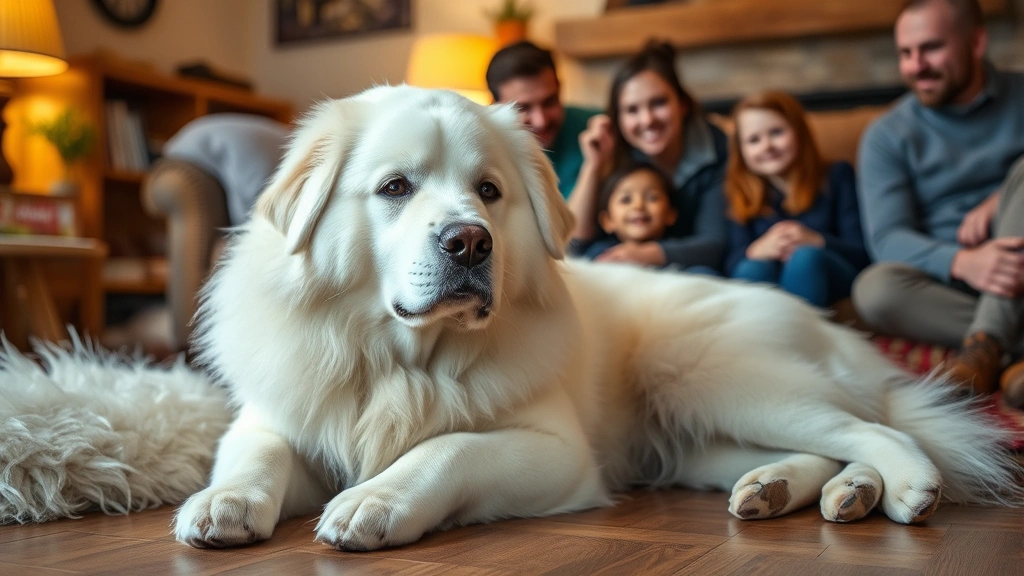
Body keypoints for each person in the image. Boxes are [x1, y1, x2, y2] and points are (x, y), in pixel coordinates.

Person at [851, 0, 1024, 405]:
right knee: (875, 290)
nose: (916, 66)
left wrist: (1000, 201)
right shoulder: (887, 134)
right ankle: (1005, 348)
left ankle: (985, 348)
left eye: (931, 48)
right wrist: (963, 262)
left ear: (976, 42)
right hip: (953, 283)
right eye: (905, 54)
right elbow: (888, 238)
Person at [568, 41, 728, 271]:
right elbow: (572, 245)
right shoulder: (613, 151)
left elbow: (715, 244)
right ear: (619, 118)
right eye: (632, 110)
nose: (647, 120)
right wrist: (593, 165)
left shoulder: (716, 149)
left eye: (659, 103)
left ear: (682, 104)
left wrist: (641, 254)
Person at [724, 91, 869, 307]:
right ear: (741, 151)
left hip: (830, 272)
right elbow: (729, 265)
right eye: (754, 140)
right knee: (751, 267)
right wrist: (756, 250)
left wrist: (817, 240)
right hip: (771, 278)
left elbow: (862, 252)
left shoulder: (837, 175)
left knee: (805, 257)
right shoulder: (739, 192)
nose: (767, 146)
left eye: (776, 132)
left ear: (799, 132)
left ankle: (801, 335)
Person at [485, 41, 598, 199]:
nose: (541, 121)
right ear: (495, 106)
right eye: (523, 108)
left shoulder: (598, 127)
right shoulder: (483, 155)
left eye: (550, 102)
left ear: (560, 89)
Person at [580, 161, 677, 263]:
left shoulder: (679, 255)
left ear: (671, 214)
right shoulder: (599, 254)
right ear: (607, 220)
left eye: (652, 198)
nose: (638, 206)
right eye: (626, 200)